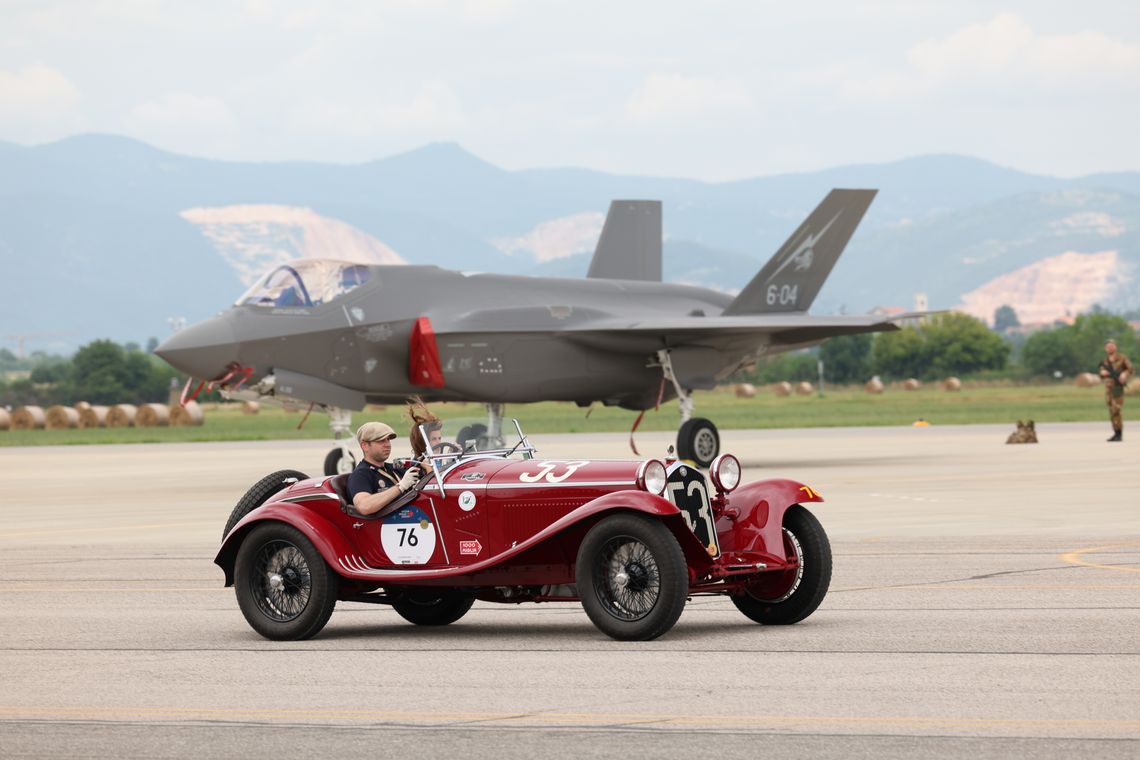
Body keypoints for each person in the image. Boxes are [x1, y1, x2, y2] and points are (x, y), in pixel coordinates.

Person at [346, 421, 420, 515]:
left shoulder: (393, 468)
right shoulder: (361, 474)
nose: (387, 444)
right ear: (365, 446)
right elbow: (363, 506)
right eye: (381, 441)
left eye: (388, 440)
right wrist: (401, 487)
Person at [1098, 339, 1133, 442]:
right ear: (1105, 349)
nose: (1110, 348)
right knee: (1111, 411)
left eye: (1112, 346)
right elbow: (1101, 373)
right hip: (1108, 389)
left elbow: (1130, 369)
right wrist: (1102, 373)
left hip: (1117, 387)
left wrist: (1124, 374)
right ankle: (1115, 433)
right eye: (1108, 346)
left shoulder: (1122, 358)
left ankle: (1119, 433)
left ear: (1115, 347)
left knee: (1116, 410)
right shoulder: (1105, 361)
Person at [407, 397, 445, 472]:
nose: (439, 443)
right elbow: (434, 482)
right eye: (434, 439)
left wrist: (452, 458)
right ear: (422, 442)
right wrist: (428, 468)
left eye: (439, 438)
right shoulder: (416, 468)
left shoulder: (435, 460)